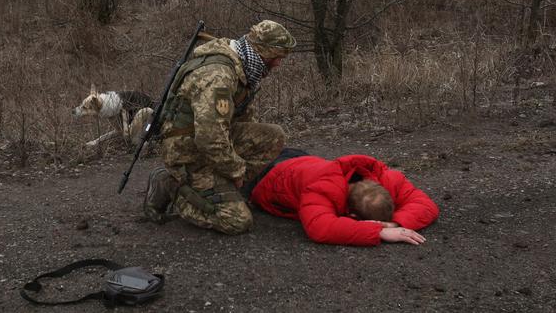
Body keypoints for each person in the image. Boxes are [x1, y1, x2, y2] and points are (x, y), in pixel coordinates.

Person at [142, 20, 296, 235]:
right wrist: (236, 169)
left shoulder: (242, 66)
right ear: (262, 51)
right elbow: (209, 136)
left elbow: (241, 122)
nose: (279, 63)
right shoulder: (219, 75)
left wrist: (236, 166)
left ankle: (218, 186)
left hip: (205, 141)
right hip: (187, 150)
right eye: (277, 56)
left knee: (273, 137)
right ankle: (171, 185)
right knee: (236, 221)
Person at [248, 150, 440, 246]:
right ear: (353, 216)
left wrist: (396, 224)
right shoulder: (322, 189)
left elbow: (426, 205)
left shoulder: (387, 179)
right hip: (268, 173)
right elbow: (320, 227)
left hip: (303, 160)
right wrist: (378, 232)